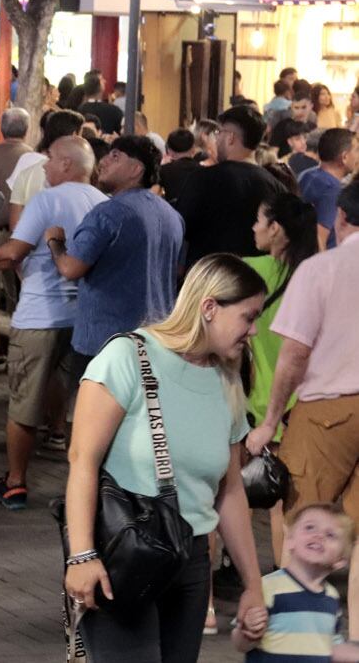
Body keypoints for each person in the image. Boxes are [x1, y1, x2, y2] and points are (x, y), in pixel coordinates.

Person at [62, 254, 268, 660]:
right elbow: (81, 461)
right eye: (248, 317)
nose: (254, 330)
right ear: (209, 307)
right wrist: (81, 556)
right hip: (124, 553)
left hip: (190, 562)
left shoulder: (226, 379)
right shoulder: (127, 357)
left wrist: (253, 585)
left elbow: (229, 492)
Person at [247, 182, 359, 636]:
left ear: (342, 219)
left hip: (326, 410)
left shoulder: (323, 269)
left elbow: (294, 355)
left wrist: (270, 421)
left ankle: (297, 635)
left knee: (304, 526)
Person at [0, 137, 107, 509]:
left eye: (49, 160)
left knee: (24, 402)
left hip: (39, 314)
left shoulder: (47, 201)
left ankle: (16, 481)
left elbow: (14, 250)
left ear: (67, 164)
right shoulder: (104, 204)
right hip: (83, 317)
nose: (44, 167)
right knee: (75, 404)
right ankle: (80, 485)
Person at [45, 136, 184, 381]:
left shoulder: (109, 213)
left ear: (136, 169)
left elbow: (70, 268)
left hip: (104, 342)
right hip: (157, 341)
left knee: (95, 417)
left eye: (115, 156)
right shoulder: (171, 216)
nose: (104, 162)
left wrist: (55, 242)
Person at [244, 192, 319, 565]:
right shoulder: (321, 274)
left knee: (237, 500)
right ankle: (294, 585)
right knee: (294, 507)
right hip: (312, 408)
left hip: (260, 406)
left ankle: (210, 601)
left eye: (259, 220)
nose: (254, 227)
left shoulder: (247, 272)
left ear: (276, 229)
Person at [231, 503, 359, 661]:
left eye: (330, 535)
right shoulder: (268, 587)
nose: (319, 535)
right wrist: (247, 630)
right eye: (310, 527)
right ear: (290, 541)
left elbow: (331, 648)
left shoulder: (331, 598)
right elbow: (239, 644)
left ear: (341, 560)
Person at [177, 105, 285, 269]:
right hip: (255, 281)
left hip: (207, 277)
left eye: (219, 133)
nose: (216, 138)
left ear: (231, 138)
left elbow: (181, 228)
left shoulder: (202, 178)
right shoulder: (276, 186)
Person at [298, 127, 356, 250]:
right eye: (357, 150)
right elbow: (319, 238)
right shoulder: (332, 190)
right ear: (344, 157)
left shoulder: (306, 175)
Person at [159, 128, 202, 207]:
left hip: (173, 215)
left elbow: (153, 195)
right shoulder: (204, 170)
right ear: (193, 149)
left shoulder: (164, 170)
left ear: (169, 150)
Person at [77, 71, 124, 136]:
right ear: (100, 86)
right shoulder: (114, 111)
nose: (105, 81)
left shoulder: (79, 111)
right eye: (102, 79)